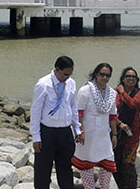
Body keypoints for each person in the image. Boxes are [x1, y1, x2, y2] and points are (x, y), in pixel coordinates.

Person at [31, 55, 81, 189]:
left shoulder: (71, 83)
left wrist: (77, 129)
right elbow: (35, 111)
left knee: (65, 168)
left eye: (70, 74)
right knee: (43, 170)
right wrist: (36, 137)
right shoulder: (43, 84)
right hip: (47, 132)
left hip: (65, 132)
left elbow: (73, 106)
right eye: (65, 74)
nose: (67, 77)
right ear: (57, 69)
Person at [72, 63, 118, 189]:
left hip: (103, 134)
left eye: (107, 75)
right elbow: (79, 112)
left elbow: (113, 116)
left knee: (107, 164)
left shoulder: (112, 94)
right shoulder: (86, 90)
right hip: (87, 134)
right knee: (87, 165)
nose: (104, 77)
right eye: (101, 74)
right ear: (96, 74)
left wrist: (114, 134)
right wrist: (81, 131)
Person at [113, 67, 140, 189]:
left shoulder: (139, 93)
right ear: (122, 79)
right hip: (116, 133)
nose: (131, 79)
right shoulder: (114, 92)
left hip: (132, 135)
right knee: (115, 163)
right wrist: (119, 122)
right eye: (128, 76)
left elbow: (133, 104)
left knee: (128, 164)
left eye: (133, 77)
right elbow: (110, 112)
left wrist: (123, 93)